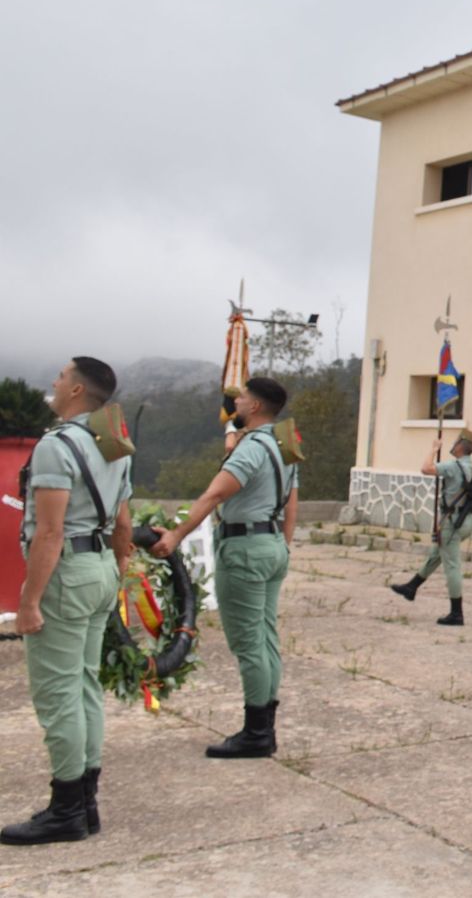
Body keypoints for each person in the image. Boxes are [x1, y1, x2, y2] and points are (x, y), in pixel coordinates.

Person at [3, 358, 132, 846]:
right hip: (99, 569)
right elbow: (123, 523)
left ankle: (66, 810)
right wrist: (115, 574)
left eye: (60, 377)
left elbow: (50, 532)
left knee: (58, 694)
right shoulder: (113, 444)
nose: (54, 383)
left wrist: (29, 600)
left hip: (66, 574)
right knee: (84, 686)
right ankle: (85, 803)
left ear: (77, 390)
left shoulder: (56, 446)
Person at [151, 376, 297, 759]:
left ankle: (256, 733)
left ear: (256, 406)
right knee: (265, 638)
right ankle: (264, 727)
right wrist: (284, 544)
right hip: (271, 545)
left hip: (244, 549)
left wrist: (176, 534)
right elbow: (292, 499)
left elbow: (215, 493)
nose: (237, 403)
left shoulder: (251, 448)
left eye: (243, 398)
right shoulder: (282, 445)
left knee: (249, 643)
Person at [389, 428, 472, 626]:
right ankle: (411, 587)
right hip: (465, 522)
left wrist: (434, 449)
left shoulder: (453, 467)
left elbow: (426, 468)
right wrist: (470, 517)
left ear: (460, 446)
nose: (453, 445)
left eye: (455, 442)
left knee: (452, 565)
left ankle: (456, 613)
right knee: (436, 555)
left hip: (451, 523)